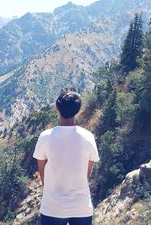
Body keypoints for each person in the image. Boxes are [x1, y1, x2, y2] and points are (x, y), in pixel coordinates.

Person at [33, 90, 100, 225]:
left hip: (52, 206)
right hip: (81, 206)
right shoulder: (88, 137)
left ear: (57, 108)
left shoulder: (45, 136)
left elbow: (42, 171)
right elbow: (87, 172)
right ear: (79, 110)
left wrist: (51, 189)